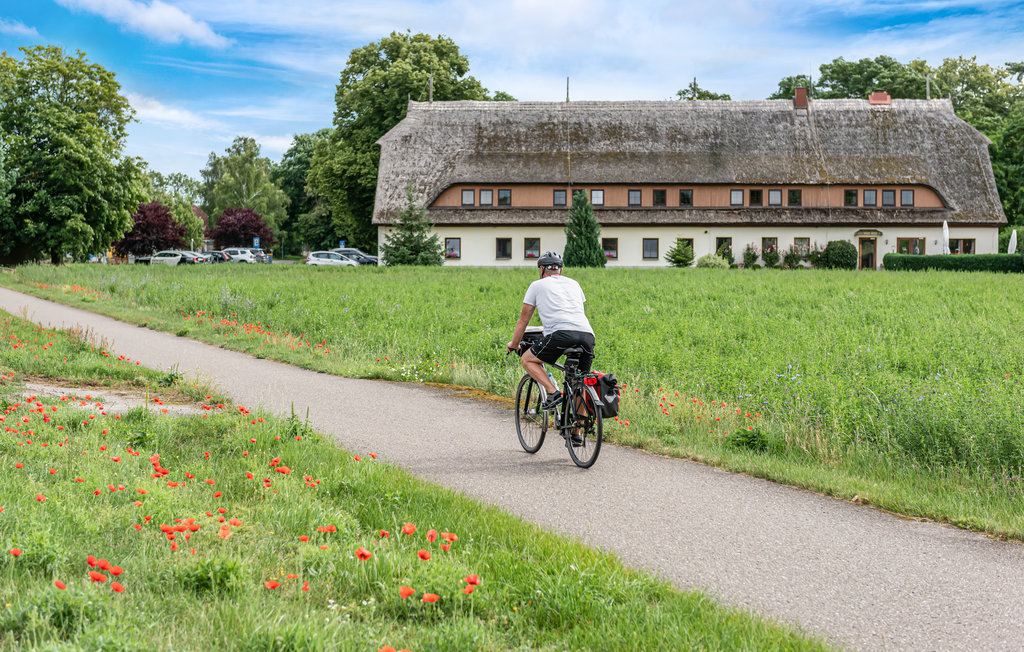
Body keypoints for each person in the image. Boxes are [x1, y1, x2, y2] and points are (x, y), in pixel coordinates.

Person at [506, 251, 594, 410]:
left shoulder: (537, 285)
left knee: (528, 360)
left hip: (561, 334)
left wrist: (514, 344)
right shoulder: (574, 284)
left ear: (541, 270)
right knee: (579, 382)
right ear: (560, 270)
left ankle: (553, 393)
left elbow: (523, 320)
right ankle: (577, 432)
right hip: (587, 335)